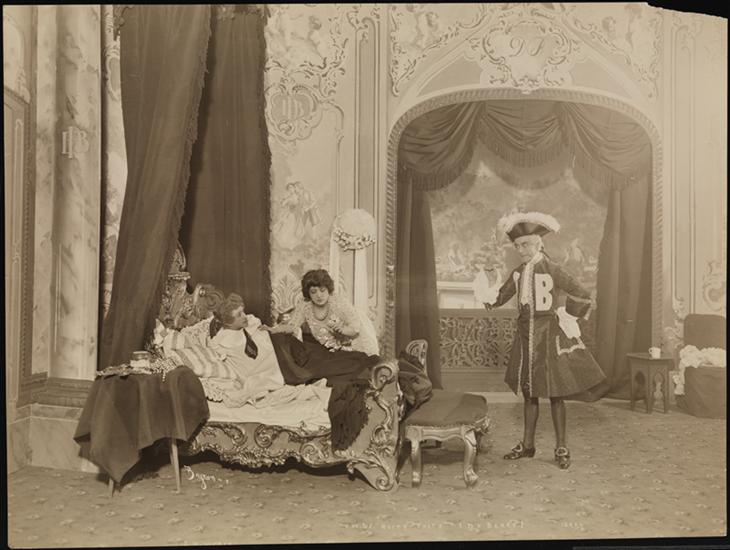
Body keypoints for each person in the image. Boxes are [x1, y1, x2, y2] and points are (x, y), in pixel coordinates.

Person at [483, 212, 606, 469]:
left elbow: (582, 293)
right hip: (525, 338)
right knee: (529, 394)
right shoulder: (518, 273)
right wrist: (488, 282)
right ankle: (528, 445)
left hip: (548, 339)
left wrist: (566, 314)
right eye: (517, 246)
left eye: (525, 244)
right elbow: (497, 299)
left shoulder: (552, 269)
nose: (520, 250)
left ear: (538, 243)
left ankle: (561, 446)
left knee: (555, 394)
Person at [262, 268, 379, 357]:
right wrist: (273, 329)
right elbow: (292, 326)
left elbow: (355, 330)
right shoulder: (305, 305)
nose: (319, 295)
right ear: (308, 293)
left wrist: (342, 329)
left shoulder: (339, 303)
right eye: (313, 292)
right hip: (327, 351)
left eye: (322, 290)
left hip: (351, 350)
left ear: (328, 289)